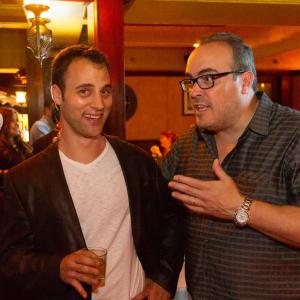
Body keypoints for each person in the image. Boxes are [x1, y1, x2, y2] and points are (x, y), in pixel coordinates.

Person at [0, 45, 183, 300]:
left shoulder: (137, 163)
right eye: (84, 91)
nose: (99, 104)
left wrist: (163, 280)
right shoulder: (25, 180)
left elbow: (172, 222)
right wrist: (57, 267)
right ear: (57, 94)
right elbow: (9, 261)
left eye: (105, 91)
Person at [161, 32, 300, 299]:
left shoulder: (293, 134)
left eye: (208, 79)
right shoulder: (190, 144)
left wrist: (240, 207)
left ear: (245, 81)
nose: (195, 91)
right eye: (191, 81)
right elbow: (149, 200)